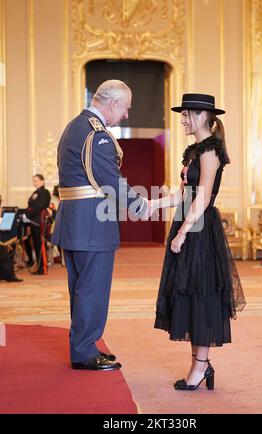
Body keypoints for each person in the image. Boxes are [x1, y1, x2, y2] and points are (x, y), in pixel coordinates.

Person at [52, 80, 150, 371]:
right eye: (126, 108)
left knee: (82, 289)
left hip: (74, 221)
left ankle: (85, 346)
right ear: (113, 104)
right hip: (92, 224)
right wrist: (139, 206)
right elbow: (110, 180)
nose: (127, 115)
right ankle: (84, 352)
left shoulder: (74, 127)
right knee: (92, 289)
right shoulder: (97, 134)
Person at [150, 94, 246, 391]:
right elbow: (183, 194)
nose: (182, 120)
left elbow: (203, 197)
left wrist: (183, 232)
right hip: (189, 221)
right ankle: (200, 365)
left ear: (203, 116)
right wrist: (154, 204)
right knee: (188, 294)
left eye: (186, 114)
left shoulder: (211, 151)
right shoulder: (194, 151)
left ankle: (200, 368)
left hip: (199, 229)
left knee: (201, 293)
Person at [24, 174, 51, 275]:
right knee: (35, 244)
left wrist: (28, 215)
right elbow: (30, 204)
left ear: (42, 181)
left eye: (36, 180)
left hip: (40, 222)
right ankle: (38, 267)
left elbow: (39, 206)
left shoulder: (45, 192)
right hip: (33, 221)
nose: (34, 182)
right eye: (33, 180)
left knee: (40, 245)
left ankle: (42, 268)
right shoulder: (35, 192)